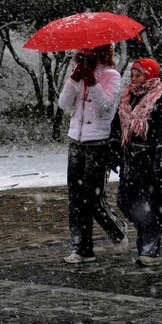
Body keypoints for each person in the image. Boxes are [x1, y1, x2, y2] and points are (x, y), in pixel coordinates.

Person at [58, 43, 128, 263]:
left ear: (101, 54)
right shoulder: (76, 73)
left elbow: (106, 106)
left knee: (92, 197)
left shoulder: (112, 76)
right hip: (75, 140)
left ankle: (116, 230)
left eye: (90, 54)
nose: (85, 57)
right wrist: (73, 80)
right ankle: (82, 248)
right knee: (75, 197)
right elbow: (63, 104)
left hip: (98, 143)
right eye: (82, 54)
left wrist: (93, 82)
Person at [116, 57, 162, 267]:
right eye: (132, 74)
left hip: (151, 164)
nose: (134, 79)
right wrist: (114, 153)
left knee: (151, 207)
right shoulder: (127, 99)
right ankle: (147, 232)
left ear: (149, 75)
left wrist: (160, 163)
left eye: (139, 74)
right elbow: (119, 130)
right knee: (124, 201)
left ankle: (149, 251)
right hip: (130, 163)